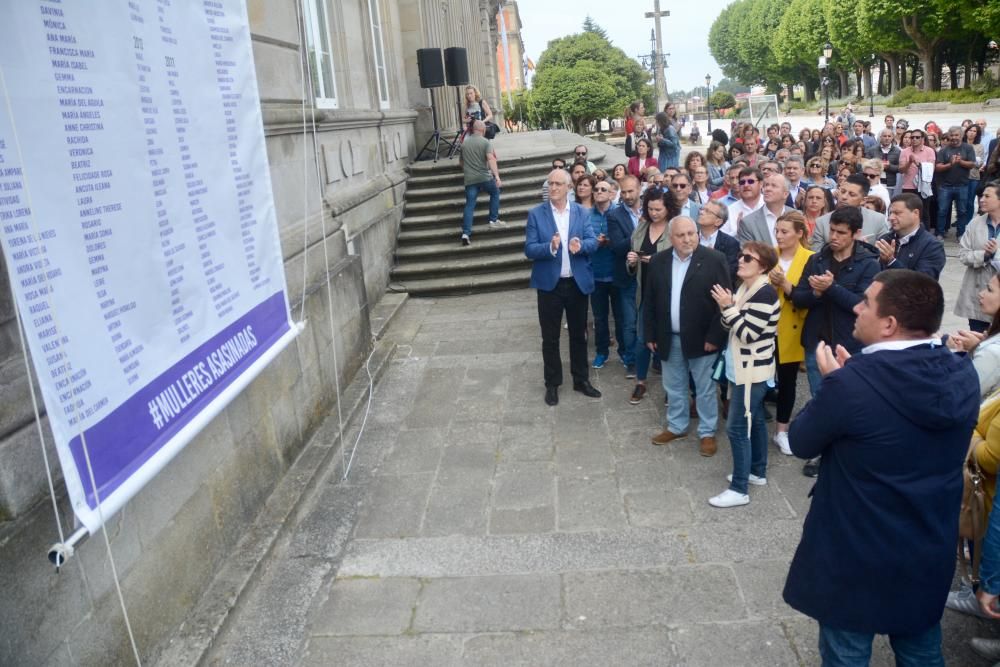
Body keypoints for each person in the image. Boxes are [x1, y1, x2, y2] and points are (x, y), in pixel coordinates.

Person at [783, 269, 979, 667]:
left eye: (866, 302)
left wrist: (833, 386)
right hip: (926, 544)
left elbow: (801, 442)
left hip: (856, 552)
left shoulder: (850, 384)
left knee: (847, 653)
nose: (855, 306)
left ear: (889, 324)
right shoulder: (963, 372)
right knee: (921, 649)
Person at [793, 206, 880, 476]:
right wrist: (817, 295)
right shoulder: (818, 259)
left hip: (849, 345)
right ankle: (821, 453)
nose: (834, 237)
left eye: (841, 233)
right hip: (817, 341)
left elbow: (861, 306)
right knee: (822, 399)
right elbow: (799, 297)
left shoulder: (868, 263)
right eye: (832, 230)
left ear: (856, 234)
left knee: (851, 401)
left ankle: (847, 449)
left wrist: (831, 289)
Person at [644, 216, 731, 456]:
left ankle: (707, 432)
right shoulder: (659, 261)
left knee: (704, 388)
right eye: (681, 235)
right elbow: (649, 300)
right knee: (674, 385)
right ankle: (677, 426)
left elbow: (724, 303)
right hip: (667, 336)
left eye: (691, 233)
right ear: (670, 238)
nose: (687, 239)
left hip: (702, 338)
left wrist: (715, 336)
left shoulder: (714, 260)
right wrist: (649, 333)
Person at [707, 241, 780, 507]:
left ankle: (739, 489)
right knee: (757, 420)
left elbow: (748, 334)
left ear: (762, 266)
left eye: (748, 258)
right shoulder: (745, 288)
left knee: (737, 427)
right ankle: (756, 472)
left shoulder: (764, 294)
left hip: (752, 371)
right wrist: (728, 307)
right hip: (742, 368)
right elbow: (730, 325)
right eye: (741, 256)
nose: (741, 260)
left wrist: (727, 307)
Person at [524, 169, 601, 406]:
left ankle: (581, 380)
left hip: (576, 283)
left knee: (579, 335)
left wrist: (582, 245)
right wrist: (550, 247)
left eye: (558, 183)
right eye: (550, 183)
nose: (553, 187)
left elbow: (592, 242)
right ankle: (552, 383)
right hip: (550, 285)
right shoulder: (536, 214)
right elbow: (529, 249)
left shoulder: (580, 212)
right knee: (550, 337)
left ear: (569, 187)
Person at [626, 187, 679, 404]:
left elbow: (682, 258)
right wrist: (631, 262)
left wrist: (656, 260)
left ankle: (671, 385)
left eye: (658, 209)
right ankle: (640, 381)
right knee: (641, 339)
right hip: (644, 291)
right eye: (650, 209)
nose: (654, 213)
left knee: (668, 340)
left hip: (668, 294)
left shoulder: (676, 228)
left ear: (668, 208)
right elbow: (632, 264)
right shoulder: (641, 227)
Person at [768, 211, 814, 456]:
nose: (779, 236)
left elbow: (808, 296)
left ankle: (782, 430)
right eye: (777, 231)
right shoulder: (769, 255)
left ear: (799, 233)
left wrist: (784, 284)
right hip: (765, 327)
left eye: (785, 231)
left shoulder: (810, 258)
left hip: (792, 326)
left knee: (788, 381)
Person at [607, 176, 643, 375]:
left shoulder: (652, 210)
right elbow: (616, 247)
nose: (628, 195)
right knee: (629, 323)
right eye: (624, 192)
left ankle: (651, 358)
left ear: (639, 189)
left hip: (650, 275)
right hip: (627, 277)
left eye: (631, 191)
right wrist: (640, 232)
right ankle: (631, 360)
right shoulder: (614, 215)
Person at [956, 183, 1000, 332]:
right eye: (981, 196)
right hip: (977, 295)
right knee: (976, 343)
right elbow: (963, 255)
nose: (981, 200)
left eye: (987, 196)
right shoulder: (975, 224)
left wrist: (996, 255)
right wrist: (985, 255)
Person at [875, 193, 946, 279]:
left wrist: (892, 262)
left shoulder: (932, 246)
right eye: (890, 213)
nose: (891, 218)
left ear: (916, 213)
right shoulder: (884, 240)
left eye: (897, 213)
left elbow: (923, 282)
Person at [810, 174, 890, 251]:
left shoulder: (878, 220)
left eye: (852, 194)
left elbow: (883, 255)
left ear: (863, 200)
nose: (844, 197)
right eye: (843, 191)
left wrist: (864, 248)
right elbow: (816, 256)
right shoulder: (822, 222)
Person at [588, 179, 618, 371]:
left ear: (611, 193)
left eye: (603, 189)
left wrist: (610, 241)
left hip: (616, 274)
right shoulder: (585, 215)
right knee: (599, 318)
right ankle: (602, 352)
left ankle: (625, 353)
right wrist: (594, 242)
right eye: (596, 189)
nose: (599, 192)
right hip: (596, 274)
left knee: (622, 317)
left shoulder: (618, 213)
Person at [459, 120, 502, 246]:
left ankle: (466, 233)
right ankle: (493, 220)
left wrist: (468, 170)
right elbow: (491, 159)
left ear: (472, 130)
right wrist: (497, 177)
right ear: (483, 130)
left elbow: (461, 163)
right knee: (495, 191)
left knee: (469, 205)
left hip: (469, 180)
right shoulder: (485, 142)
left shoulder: (464, 144)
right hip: (484, 178)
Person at [936, 126, 977, 239]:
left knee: (962, 211)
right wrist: (950, 164)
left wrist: (961, 161)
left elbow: (972, 164)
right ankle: (940, 233)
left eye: (956, 135)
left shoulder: (968, 148)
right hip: (945, 186)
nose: (954, 138)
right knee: (942, 210)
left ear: (962, 135)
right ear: (949, 136)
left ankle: (960, 233)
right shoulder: (944, 150)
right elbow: (938, 167)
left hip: (962, 185)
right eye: (952, 135)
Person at [898, 128, 937, 230]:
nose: (914, 139)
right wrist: (909, 162)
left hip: (924, 187)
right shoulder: (905, 152)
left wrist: (919, 164)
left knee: (924, 213)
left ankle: (925, 236)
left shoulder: (929, 151)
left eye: (917, 137)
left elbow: (930, 170)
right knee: (908, 211)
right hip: (908, 186)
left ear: (923, 139)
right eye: (912, 137)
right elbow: (901, 170)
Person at [739, 172, 793, 245]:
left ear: (785, 194)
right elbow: (748, 253)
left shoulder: (798, 216)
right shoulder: (748, 223)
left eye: (774, 186)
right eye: (766, 185)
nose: (767, 189)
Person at [723, 167, 764, 237]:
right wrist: (738, 231)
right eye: (742, 182)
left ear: (761, 184)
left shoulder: (770, 205)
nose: (746, 185)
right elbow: (722, 241)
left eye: (751, 181)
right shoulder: (730, 210)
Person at [865, 128, 901, 194]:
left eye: (889, 136)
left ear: (892, 137)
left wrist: (889, 167)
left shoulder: (897, 151)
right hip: (874, 183)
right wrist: (877, 166)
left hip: (890, 185)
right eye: (884, 136)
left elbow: (900, 168)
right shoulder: (872, 150)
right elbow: (866, 165)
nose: (887, 138)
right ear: (880, 137)